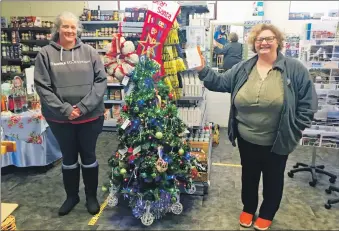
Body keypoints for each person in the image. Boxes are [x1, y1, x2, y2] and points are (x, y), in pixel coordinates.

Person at [195, 24, 317, 230]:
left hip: (278, 138)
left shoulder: (294, 69)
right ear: (254, 44)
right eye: (259, 40)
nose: (264, 43)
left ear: (278, 41)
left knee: (273, 178)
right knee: (249, 175)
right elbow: (219, 82)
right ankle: (249, 208)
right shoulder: (243, 68)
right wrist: (202, 70)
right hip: (246, 137)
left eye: (269, 38)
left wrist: (295, 128)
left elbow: (308, 102)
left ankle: (268, 212)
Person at [34, 11, 107, 216]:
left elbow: (101, 81)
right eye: (65, 26)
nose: (69, 30)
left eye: (73, 27)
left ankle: (91, 197)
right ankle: (72, 196)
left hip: (90, 117)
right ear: (58, 28)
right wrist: (66, 109)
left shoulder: (90, 52)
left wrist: (83, 108)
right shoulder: (45, 54)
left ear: (78, 30)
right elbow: (43, 86)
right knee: (68, 157)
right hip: (59, 119)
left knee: (89, 156)